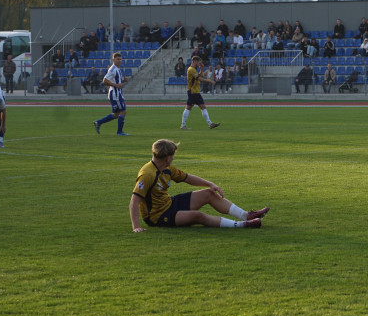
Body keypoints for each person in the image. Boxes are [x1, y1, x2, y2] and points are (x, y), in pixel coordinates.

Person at [130, 139, 268, 232]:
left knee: (209, 193)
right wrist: (136, 227)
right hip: (157, 216)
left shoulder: (167, 168)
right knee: (197, 216)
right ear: (167, 157)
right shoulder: (147, 174)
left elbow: (187, 178)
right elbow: (134, 201)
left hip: (169, 203)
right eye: (173, 155)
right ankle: (243, 225)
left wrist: (210, 184)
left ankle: (246, 216)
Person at [93, 52, 130, 136]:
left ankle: (98, 122)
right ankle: (119, 132)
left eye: (120, 59)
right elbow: (104, 80)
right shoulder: (113, 69)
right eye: (118, 59)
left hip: (116, 93)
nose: (120, 61)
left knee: (117, 114)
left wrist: (123, 81)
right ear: (113, 60)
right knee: (123, 111)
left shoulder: (117, 69)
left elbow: (116, 81)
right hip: (115, 94)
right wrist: (116, 85)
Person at [180, 56, 221, 130]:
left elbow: (199, 75)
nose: (199, 64)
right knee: (189, 107)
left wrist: (201, 69)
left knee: (202, 107)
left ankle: (210, 123)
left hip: (195, 91)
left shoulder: (193, 70)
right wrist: (210, 81)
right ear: (195, 61)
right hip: (192, 91)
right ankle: (183, 125)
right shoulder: (191, 69)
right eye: (199, 63)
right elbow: (199, 78)